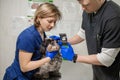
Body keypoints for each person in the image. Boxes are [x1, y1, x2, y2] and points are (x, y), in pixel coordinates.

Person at [52, 0, 120, 80]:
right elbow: (83, 33)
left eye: (86, 5)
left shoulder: (114, 18)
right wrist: (64, 42)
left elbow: (106, 59)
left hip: (109, 73)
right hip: (96, 69)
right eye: (81, 4)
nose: (83, 8)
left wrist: (74, 57)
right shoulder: (88, 10)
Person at [3, 3, 61, 80]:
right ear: (38, 18)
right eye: (50, 21)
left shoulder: (42, 33)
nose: (53, 25)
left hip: (30, 75)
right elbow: (24, 67)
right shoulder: (28, 36)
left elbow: (37, 52)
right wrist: (49, 58)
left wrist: (49, 49)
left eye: (55, 22)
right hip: (18, 77)